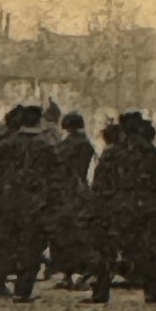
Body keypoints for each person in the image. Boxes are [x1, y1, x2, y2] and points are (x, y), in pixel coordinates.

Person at [89, 111, 156, 304]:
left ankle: (101, 292)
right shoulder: (152, 153)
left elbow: (99, 183)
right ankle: (152, 292)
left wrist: (100, 207)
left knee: (108, 251)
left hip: (116, 209)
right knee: (145, 252)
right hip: (145, 209)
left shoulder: (113, 153)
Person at [0, 105, 64, 302]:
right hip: (35, 203)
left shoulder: (5, 144)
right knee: (31, 245)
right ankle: (23, 289)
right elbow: (56, 176)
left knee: (5, 242)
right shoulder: (45, 146)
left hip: (7, 201)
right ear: (39, 121)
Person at [49, 113, 97, 288]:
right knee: (77, 233)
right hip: (80, 189)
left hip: (67, 191)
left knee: (66, 234)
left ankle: (70, 273)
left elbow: (55, 160)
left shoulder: (69, 145)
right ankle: (74, 273)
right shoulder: (85, 143)